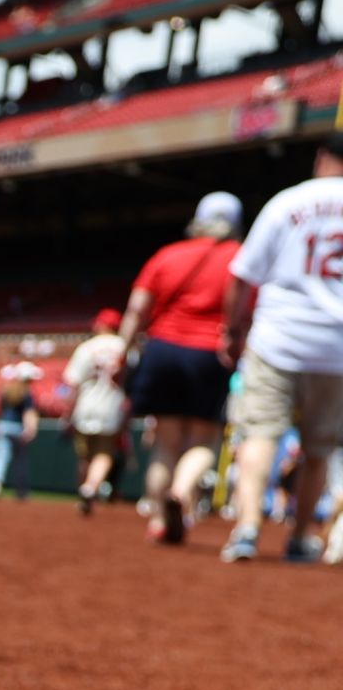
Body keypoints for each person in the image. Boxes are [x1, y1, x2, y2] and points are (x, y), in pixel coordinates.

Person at [216, 133, 343, 563]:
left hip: (280, 338)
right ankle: (301, 536)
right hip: (338, 347)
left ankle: (248, 526)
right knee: (319, 448)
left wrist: (232, 331)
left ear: (322, 157)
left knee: (261, 434)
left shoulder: (287, 201)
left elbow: (241, 276)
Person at [113, 191, 243, 544]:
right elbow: (244, 311)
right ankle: (182, 493)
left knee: (165, 444)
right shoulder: (239, 257)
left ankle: (157, 518)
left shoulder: (167, 255)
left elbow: (137, 310)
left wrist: (121, 353)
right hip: (209, 353)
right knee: (203, 440)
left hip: (162, 349)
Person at [62, 308, 129, 514]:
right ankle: (91, 486)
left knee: (85, 455)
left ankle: (83, 490)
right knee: (104, 453)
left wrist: (67, 414)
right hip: (113, 406)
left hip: (85, 405)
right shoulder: (125, 346)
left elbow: (73, 384)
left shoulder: (86, 347)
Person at [0, 378, 39, 500]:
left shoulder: (6, 391)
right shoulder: (26, 393)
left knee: (0, 457)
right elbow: (29, 413)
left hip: (3, 426)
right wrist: (30, 429)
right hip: (17, 428)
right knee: (20, 460)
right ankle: (21, 490)